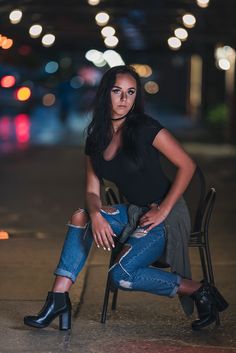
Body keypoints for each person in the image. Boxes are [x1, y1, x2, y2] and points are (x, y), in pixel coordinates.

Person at [24, 65, 228, 331]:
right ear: (105, 94)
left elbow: (187, 165)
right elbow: (91, 190)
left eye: (131, 92)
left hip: (166, 215)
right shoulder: (96, 136)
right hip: (134, 213)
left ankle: (200, 290)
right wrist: (96, 215)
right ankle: (58, 299)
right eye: (117, 91)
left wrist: (163, 210)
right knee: (81, 216)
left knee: (122, 275)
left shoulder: (145, 127)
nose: (124, 99)